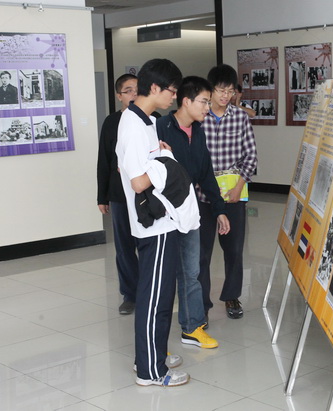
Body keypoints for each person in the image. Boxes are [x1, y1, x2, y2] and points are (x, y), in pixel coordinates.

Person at [116, 58, 196, 387]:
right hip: (154, 224)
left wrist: (158, 157)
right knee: (155, 298)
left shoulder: (146, 120)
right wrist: (164, 161)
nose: (174, 98)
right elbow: (137, 181)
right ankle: (150, 370)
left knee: (162, 295)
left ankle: (152, 354)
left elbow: (138, 164)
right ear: (154, 88)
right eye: (171, 91)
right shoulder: (133, 125)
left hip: (162, 220)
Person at [157, 76, 230, 348]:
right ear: (186, 101)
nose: (207, 108)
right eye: (204, 102)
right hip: (163, 215)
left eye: (209, 103)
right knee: (163, 276)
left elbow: (206, 173)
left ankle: (192, 327)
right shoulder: (160, 128)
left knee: (191, 272)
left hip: (189, 212)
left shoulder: (198, 131)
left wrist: (219, 210)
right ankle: (156, 335)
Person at [200, 64, 257, 319]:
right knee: (201, 252)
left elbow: (251, 155)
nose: (226, 96)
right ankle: (201, 302)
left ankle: (232, 296)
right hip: (202, 196)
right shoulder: (199, 117)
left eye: (230, 91)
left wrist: (239, 186)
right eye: (221, 90)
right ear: (210, 90)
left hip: (233, 194)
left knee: (234, 249)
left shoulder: (240, 117)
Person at [97, 74, 140, 315]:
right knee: (124, 246)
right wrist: (101, 196)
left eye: (137, 89)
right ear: (119, 96)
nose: (134, 94)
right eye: (128, 90)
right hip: (119, 192)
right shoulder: (111, 122)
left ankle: (149, 290)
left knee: (147, 244)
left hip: (146, 192)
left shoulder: (153, 119)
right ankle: (130, 294)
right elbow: (103, 159)